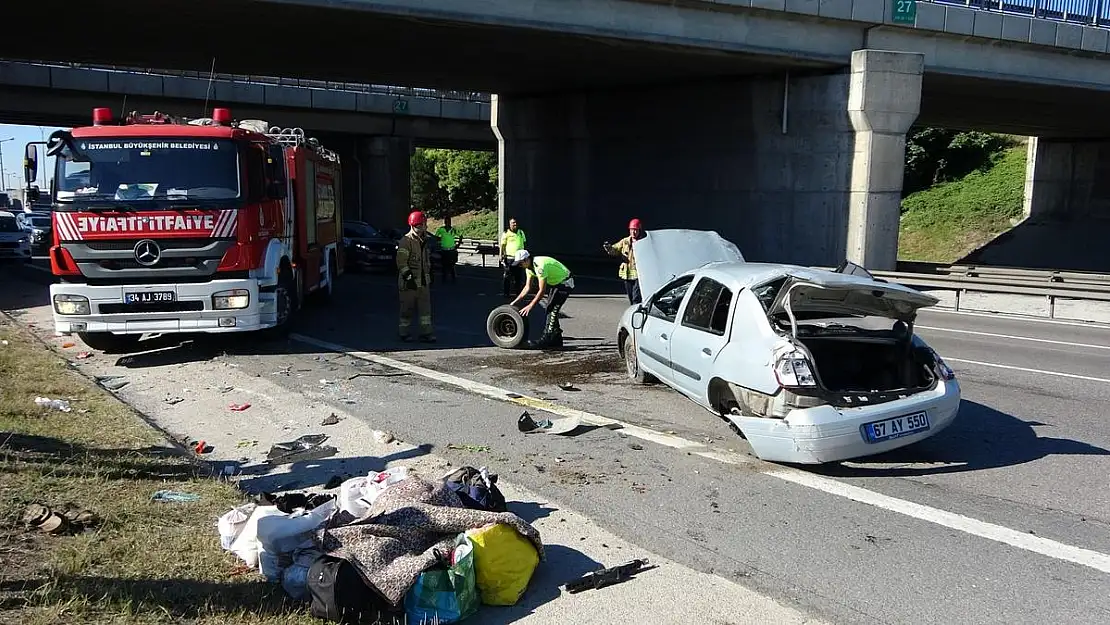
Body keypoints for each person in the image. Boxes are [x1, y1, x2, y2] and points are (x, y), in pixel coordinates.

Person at [509, 250, 574, 350]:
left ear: (527, 259)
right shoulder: (529, 268)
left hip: (565, 283)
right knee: (550, 308)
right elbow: (527, 287)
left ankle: (546, 338)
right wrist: (514, 302)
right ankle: (556, 338)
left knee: (552, 309)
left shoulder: (540, 266)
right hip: (556, 284)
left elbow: (542, 290)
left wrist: (530, 306)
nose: (519, 266)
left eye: (520, 263)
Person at [396, 211, 436, 343]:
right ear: (414, 225)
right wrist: (409, 279)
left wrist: (430, 275)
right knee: (406, 310)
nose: (424, 227)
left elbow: (425, 261)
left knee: (426, 311)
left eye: (424, 224)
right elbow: (401, 262)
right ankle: (404, 333)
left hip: (423, 284)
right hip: (409, 284)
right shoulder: (406, 241)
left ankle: (426, 333)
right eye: (421, 225)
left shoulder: (424, 240)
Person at [603, 218, 646, 304]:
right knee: (630, 296)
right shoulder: (625, 241)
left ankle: (636, 312)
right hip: (627, 274)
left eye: (636, 230)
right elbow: (615, 250)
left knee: (636, 297)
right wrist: (609, 248)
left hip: (639, 274)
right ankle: (633, 311)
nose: (633, 232)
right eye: (632, 230)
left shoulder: (643, 242)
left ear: (639, 230)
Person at [499, 218, 527, 297]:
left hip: (520, 258)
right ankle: (506, 293)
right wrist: (501, 255)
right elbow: (502, 245)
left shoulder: (521, 232)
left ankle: (518, 293)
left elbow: (523, 243)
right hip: (510, 258)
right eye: (513, 223)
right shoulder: (506, 233)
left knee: (519, 277)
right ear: (510, 224)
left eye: (516, 223)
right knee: (508, 276)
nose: (515, 224)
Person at [434, 215, 459, 282]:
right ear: (444, 222)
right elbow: (436, 236)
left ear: (450, 222)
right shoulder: (441, 229)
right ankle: (444, 278)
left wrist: (458, 244)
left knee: (452, 265)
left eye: (449, 221)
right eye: (446, 221)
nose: (448, 223)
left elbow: (460, 235)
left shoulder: (453, 230)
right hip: (444, 250)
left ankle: (453, 278)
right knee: (444, 265)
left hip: (452, 250)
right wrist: (440, 240)